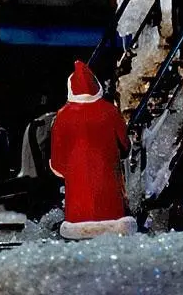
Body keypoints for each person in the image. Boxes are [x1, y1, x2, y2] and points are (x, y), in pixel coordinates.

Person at [49, 61, 136, 239]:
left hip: (77, 208)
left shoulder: (62, 115)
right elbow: (125, 146)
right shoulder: (110, 111)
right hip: (111, 199)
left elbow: (57, 161)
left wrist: (68, 169)